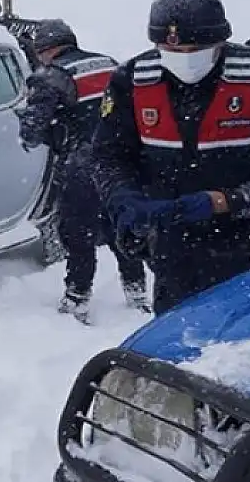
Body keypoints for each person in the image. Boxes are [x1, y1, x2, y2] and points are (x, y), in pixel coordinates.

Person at [91, 0, 250, 315]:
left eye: (194, 49)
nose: (183, 58)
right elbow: (109, 155)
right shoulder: (132, 81)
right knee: (181, 351)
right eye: (169, 49)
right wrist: (123, 200)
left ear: (219, 41)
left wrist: (223, 202)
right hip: (176, 252)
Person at [16, 18, 149, 324]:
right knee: (120, 226)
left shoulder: (50, 76)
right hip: (122, 161)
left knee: (78, 232)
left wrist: (25, 120)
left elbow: (33, 129)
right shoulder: (109, 64)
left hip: (83, 163)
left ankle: (77, 297)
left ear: (45, 50)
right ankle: (137, 291)